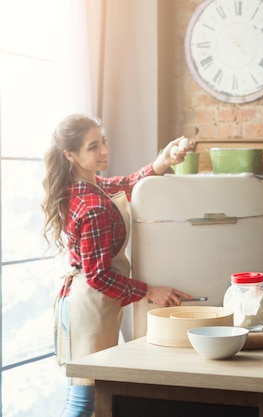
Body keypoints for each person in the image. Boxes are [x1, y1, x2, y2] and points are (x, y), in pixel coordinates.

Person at [42, 114, 193, 417]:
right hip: (90, 308)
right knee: (85, 399)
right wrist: (149, 290)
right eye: (93, 147)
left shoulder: (87, 187)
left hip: (86, 303)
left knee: (90, 393)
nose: (104, 152)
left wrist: (162, 161)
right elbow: (99, 276)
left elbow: (124, 184)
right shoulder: (92, 205)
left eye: (104, 141)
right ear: (70, 155)